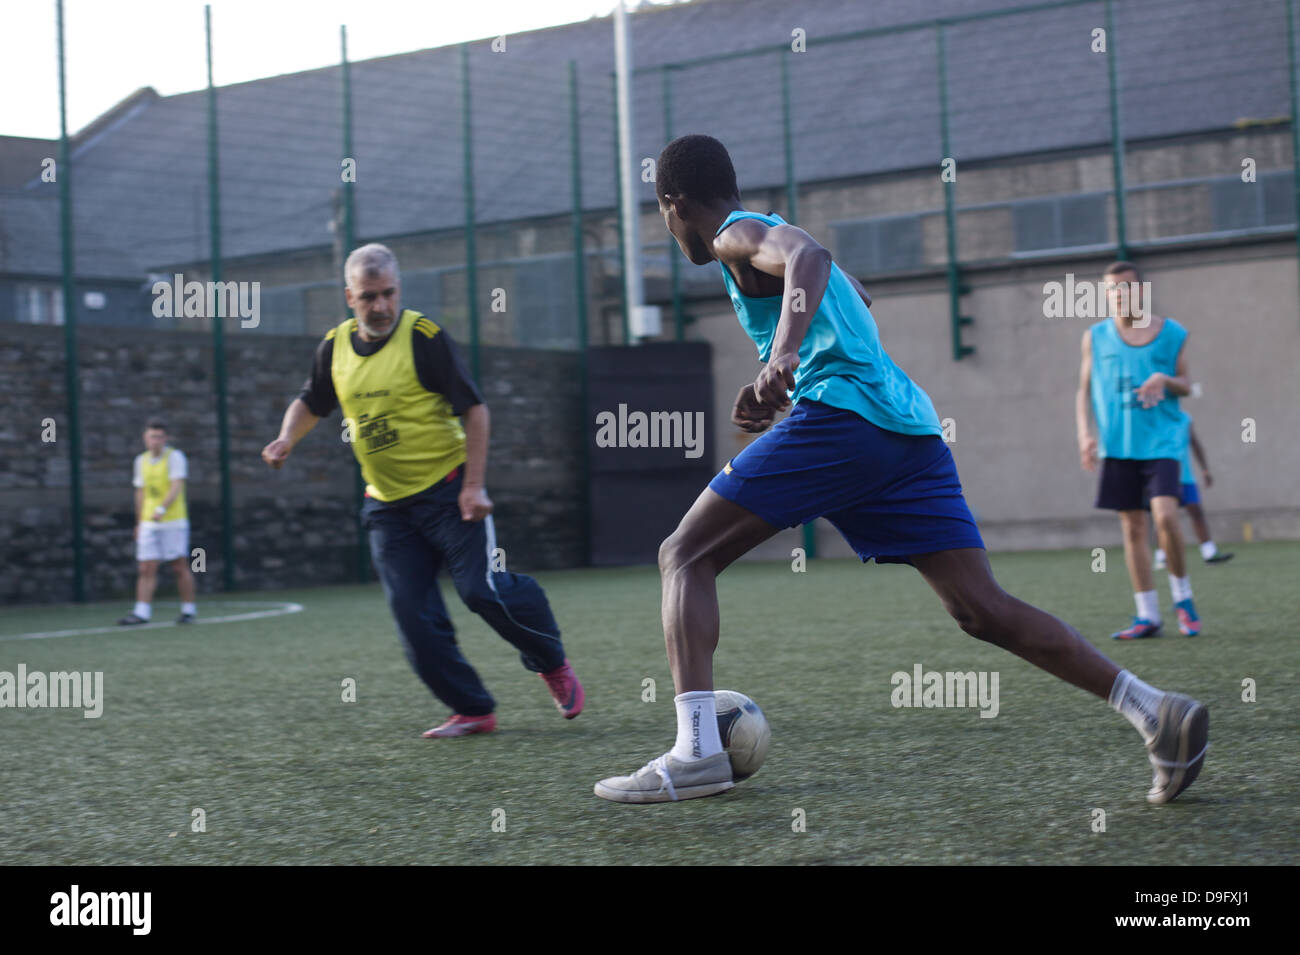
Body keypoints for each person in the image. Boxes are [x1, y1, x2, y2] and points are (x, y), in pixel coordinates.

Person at [594, 134, 1207, 805]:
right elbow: (849, 286)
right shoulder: (760, 229)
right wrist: (788, 351)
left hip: (843, 421)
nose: (669, 226)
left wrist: (783, 358)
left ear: (674, 202)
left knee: (684, 554)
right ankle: (1156, 711)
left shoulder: (735, 236)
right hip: (908, 432)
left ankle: (696, 753)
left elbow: (811, 257)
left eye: (662, 214)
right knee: (983, 609)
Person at [261, 243, 583, 737]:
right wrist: (287, 437)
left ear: (398, 290)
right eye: (369, 297)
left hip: (450, 493)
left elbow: (475, 409)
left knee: (481, 591)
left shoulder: (424, 338)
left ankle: (550, 660)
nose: (381, 306)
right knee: (412, 615)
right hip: (388, 507)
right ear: (350, 296)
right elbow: (312, 399)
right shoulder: (334, 347)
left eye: (389, 293)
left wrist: (473, 487)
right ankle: (472, 708)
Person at [1077, 261, 1202, 639]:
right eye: (1112, 290)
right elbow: (1082, 391)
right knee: (1132, 527)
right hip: (1118, 446)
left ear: (1142, 291)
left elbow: (1185, 384)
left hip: (1162, 441)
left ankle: (1183, 599)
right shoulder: (1094, 337)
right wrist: (1085, 434)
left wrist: (1163, 379)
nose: (1119, 295)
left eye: (1126, 288)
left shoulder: (1172, 333)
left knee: (1164, 516)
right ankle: (1147, 614)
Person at [118, 420, 197, 626]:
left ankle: (188, 609)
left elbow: (176, 486)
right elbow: (140, 492)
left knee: (179, 566)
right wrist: (139, 522)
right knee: (146, 567)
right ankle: (141, 611)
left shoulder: (175, 457)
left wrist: (161, 509)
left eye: (160, 437)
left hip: (173, 521)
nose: (156, 441)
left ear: (166, 439)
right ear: (145, 438)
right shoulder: (141, 461)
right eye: (152, 436)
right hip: (148, 523)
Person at [1153, 419, 1233, 569]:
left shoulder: (1185, 420)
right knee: (1163, 518)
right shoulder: (1156, 416)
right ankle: (1162, 556)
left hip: (1186, 476)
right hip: (1164, 476)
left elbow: (1195, 444)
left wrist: (1205, 469)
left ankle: (1209, 553)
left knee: (1196, 512)